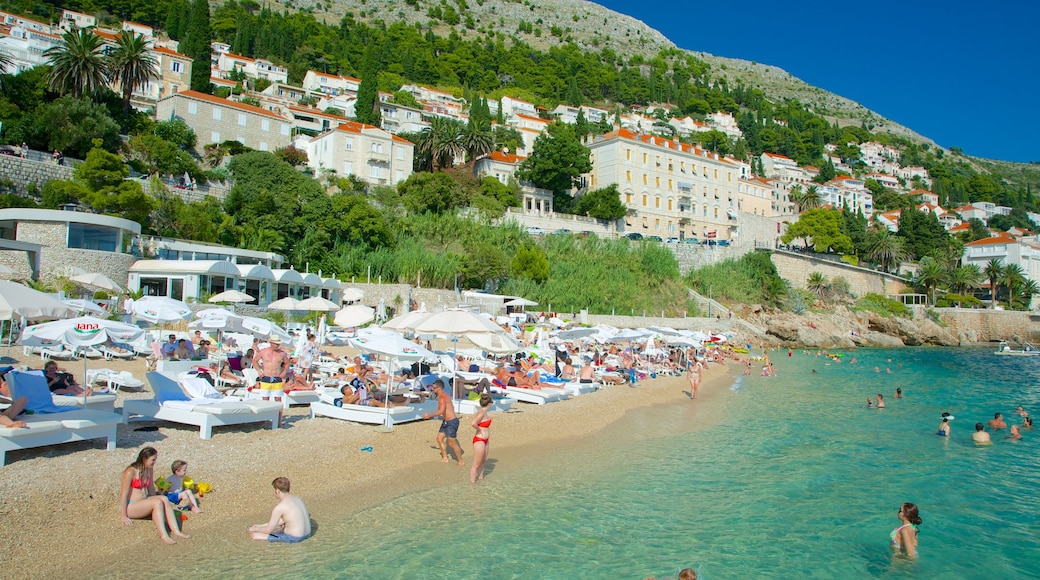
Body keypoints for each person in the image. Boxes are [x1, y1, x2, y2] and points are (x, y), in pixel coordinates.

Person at [119, 447, 191, 545]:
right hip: (131, 506)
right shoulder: (130, 472)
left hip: (143, 502)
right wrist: (123, 516)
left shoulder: (149, 470)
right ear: (145, 458)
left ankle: (176, 531)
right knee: (157, 502)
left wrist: (160, 500)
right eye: (153, 460)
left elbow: (151, 489)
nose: (154, 462)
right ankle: (164, 535)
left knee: (164, 499)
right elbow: (123, 494)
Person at [248, 477, 312, 543]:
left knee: (254, 535)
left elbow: (267, 531)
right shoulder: (298, 499)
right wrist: (261, 525)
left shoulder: (280, 507)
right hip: (308, 534)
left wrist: (256, 529)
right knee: (280, 527)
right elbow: (286, 519)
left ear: (277, 491)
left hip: (294, 538)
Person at [422, 381, 464, 465]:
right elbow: (450, 407)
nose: (432, 389)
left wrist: (429, 415)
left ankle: (461, 461)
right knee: (439, 438)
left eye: (434, 388)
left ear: (439, 388)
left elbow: (441, 410)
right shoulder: (442, 396)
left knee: (451, 443)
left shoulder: (443, 397)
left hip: (452, 422)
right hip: (446, 421)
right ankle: (445, 458)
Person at [253, 336, 290, 403]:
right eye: (276, 344)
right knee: (265, 399)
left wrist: (284, 372)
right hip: (266, 376)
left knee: (278, 399)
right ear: (271, 343)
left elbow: (287, 363)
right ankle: (267, 413)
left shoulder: (282, 353)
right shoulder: (263, 352)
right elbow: (255, 361)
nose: (277, 346)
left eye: (278, 344)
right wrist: (259, 371)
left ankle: (279, 413)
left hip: (277, 377)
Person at [469, 393, 493, 484]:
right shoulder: (481, 413)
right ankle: (472, 485)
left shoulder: (485, 412)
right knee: (476, 464)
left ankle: (481, 480)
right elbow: (473, 423)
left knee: (483, 462)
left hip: (486, 440)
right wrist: (479, 430)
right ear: (489, 404)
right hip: (479, 440)